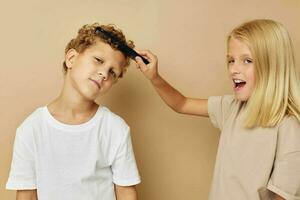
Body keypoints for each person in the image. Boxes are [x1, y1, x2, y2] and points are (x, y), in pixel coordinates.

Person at [135, 19, 300, 200]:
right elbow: (181, 104)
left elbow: (283, 196)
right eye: (231, 60)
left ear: (273, 65)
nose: (233, 70)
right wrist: (155, 77)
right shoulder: (231, 108)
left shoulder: (288, 126)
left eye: (247, 60)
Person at [6, 23, 141, 200]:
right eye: (98, 60)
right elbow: (27, 195)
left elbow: (125, 192)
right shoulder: (31, 129)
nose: (104, 74)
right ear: (71, 58)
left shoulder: (114, 128)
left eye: (112, 72)